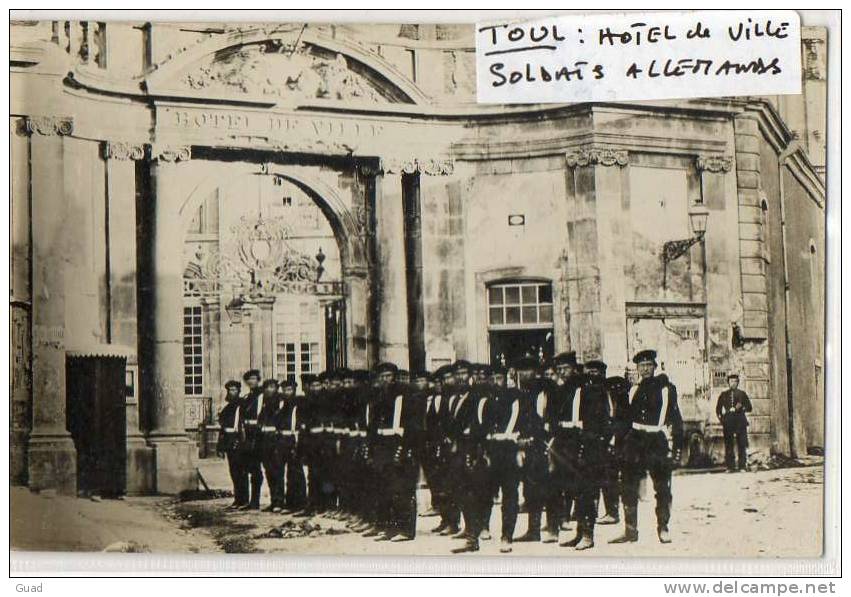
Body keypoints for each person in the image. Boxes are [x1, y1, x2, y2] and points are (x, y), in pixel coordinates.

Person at [611, 350, 683, 545]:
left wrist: (677, 448)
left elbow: (676, 419)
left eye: (649, 365)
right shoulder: (633, 390)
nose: (645, 369)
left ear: (654, 367)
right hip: (635, 441)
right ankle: (630, 530)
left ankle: (663, 527)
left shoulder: (666, 389)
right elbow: (624, 419)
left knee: (662, 486)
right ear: (637, 369)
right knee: (628, 484)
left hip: (656, 440)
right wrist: (619, 443)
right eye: (641, 366)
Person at [557, 359, 611, 550]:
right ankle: (579, 532)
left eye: (566, 368)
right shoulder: (564, 391)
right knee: (575, 490)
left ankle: (588, 535)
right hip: (569, 446)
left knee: (588, 490)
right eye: (560, 369)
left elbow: (600, 421)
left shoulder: (590, 389)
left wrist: (589, 441)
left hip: (588, 447)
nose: (563, 372)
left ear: (575, 369)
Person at [484, 365, 524, 553]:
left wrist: (520, 447)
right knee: (485, 491)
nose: (494, 382)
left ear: (506, 379)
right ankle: (481, 528)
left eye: (498, 378)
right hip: (491, 450)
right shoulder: (485, 400)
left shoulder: (516, 398)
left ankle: (507, 535)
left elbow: (525, 422)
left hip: (509, 449)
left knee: (510, 494)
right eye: (491, 379)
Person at [426, 364, 461, 536]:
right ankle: (445, 519)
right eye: (441, 380)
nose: (445, 382)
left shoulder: (455, 398)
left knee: (451, 485)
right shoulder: (435, 399)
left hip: (450, 446)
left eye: (448, 378)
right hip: (437, 446)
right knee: (440, 484)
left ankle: (453, 522)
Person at [598, 372, 631, 525]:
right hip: (607, 443)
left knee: (623, 479)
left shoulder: (624, 402)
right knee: (607, 477)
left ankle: (620, 513)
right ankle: (612, 512)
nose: (614, 391)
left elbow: (624, 423)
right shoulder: (604, 400)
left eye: (617, 389)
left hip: (621, 444)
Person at [273, 378, 306, 513]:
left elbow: (301, 426)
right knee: (280, 472)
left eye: (289, 390)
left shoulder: (298, 406)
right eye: (285, 390)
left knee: (295, 472)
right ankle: (283, 501)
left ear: (294, 390)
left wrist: (298, 443)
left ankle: (298, 502)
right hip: (282, 440)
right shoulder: (282, 406)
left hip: (293, 440)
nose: (287, 392)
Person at [216, 380, 247, 509]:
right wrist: (220, 446)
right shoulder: (227, 408)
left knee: (241, 472)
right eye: (230, 390)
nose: (231, 392)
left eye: (234, 390)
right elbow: (223, 429)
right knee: (234, 472)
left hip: (238, 441)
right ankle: (237, 499)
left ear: (239, 391)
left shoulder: (242, 406)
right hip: (229, 442)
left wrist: (240, 441)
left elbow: (243, 427)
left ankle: (244, 500)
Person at [237, 369, 265, 510]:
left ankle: (256, 501)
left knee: (257, 470)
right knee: (249, 468)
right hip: (247, 435)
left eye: (254, 378)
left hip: (258, 436)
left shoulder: (261, 396)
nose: (251, 381)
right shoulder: (247, 397)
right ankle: (250, 501)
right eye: (249, 379)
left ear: (258, 380)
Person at [716, 373, 753, 472]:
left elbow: (749, 407)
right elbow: (718, 409)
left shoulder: (742, 394)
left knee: (742, 444)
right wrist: (722, 419)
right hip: (728, 422)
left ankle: (742, 466)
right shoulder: (723, 395)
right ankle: (730, 467)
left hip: (740, 421)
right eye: (731, 381)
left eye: (735, 381)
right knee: (729, 444)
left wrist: (742, 408)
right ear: (728, 382)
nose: (733, 383)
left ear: (738, 383)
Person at [258, 378, 285, 512]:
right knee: (269, 471)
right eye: (267, 387)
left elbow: (281, 421)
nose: (270, 390)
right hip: (264, 441)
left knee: (277, 471)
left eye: (272, 387)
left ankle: (279, 501)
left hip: (275, 441)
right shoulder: (264, 403)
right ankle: (273, 500)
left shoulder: (279, 402)